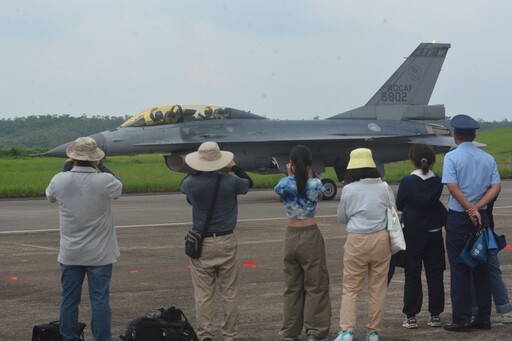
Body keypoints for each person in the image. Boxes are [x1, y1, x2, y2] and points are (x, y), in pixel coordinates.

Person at [45, 137, 123, 341]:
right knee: (99, 301)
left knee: (69, 300)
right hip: (100, 254)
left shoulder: (59, 180)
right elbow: (119, 186)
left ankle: (69, 338)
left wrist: (64, 172)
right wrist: (103, 167)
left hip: (71, 253)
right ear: (95, 159)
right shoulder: (105, 181)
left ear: (72, 158)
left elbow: (50, 196)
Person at [181, 141, 253, 341]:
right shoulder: (231, 182)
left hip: (202, 242)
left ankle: (205, 335)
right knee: (229, 292)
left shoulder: (190, 184)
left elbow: (185, 188)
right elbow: (249, 183)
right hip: (226, 239)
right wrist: (234, 167)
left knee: (204, 294)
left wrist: (195, 170)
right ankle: (230, 334)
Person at [442, 114, 501, 332]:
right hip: (481, 216)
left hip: (459, 217)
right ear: (474, 135)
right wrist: (477, 207)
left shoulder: (452, 158)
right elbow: (495, 187)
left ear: (455, 136)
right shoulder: (487, 158)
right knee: (481, 266)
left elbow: (452, 187)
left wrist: (468, 208)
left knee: (459, 267)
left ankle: (462, 319)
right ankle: (484, 317)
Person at [334, 148, 393, 341]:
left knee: (351, 288)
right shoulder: (384, 187)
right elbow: (392, 211)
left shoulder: (349, 189)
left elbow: (342, 217)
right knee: (377, 288)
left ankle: (347, 331)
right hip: (381, 239)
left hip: (357, 240)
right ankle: (373, 332)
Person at [274, 145, 331, 341]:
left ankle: (290, 330)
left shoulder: (283, 184)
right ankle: (316, 330)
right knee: (316, 284)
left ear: (290, 164)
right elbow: (318, 190)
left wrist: (291, 174)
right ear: (309, 164)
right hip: (310, 234)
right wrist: (308, 172)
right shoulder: (315, 184)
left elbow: (282, 194)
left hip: (291, 235)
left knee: (292, 286)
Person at [395, 144, 446, 329]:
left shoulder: (407, 182)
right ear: (432, 160)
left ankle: (411, 315)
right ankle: (435, 314)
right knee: (435, 273)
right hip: (434, 232)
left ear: (412, 160)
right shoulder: (438, 181)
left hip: (413, 232)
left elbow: (399, 204)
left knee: (412, 274)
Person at [470, 196, 512, 324]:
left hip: (483, 230)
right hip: (480, 230)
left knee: (490, 269)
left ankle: (502, 308)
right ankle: (502, 308)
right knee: (489, 270)